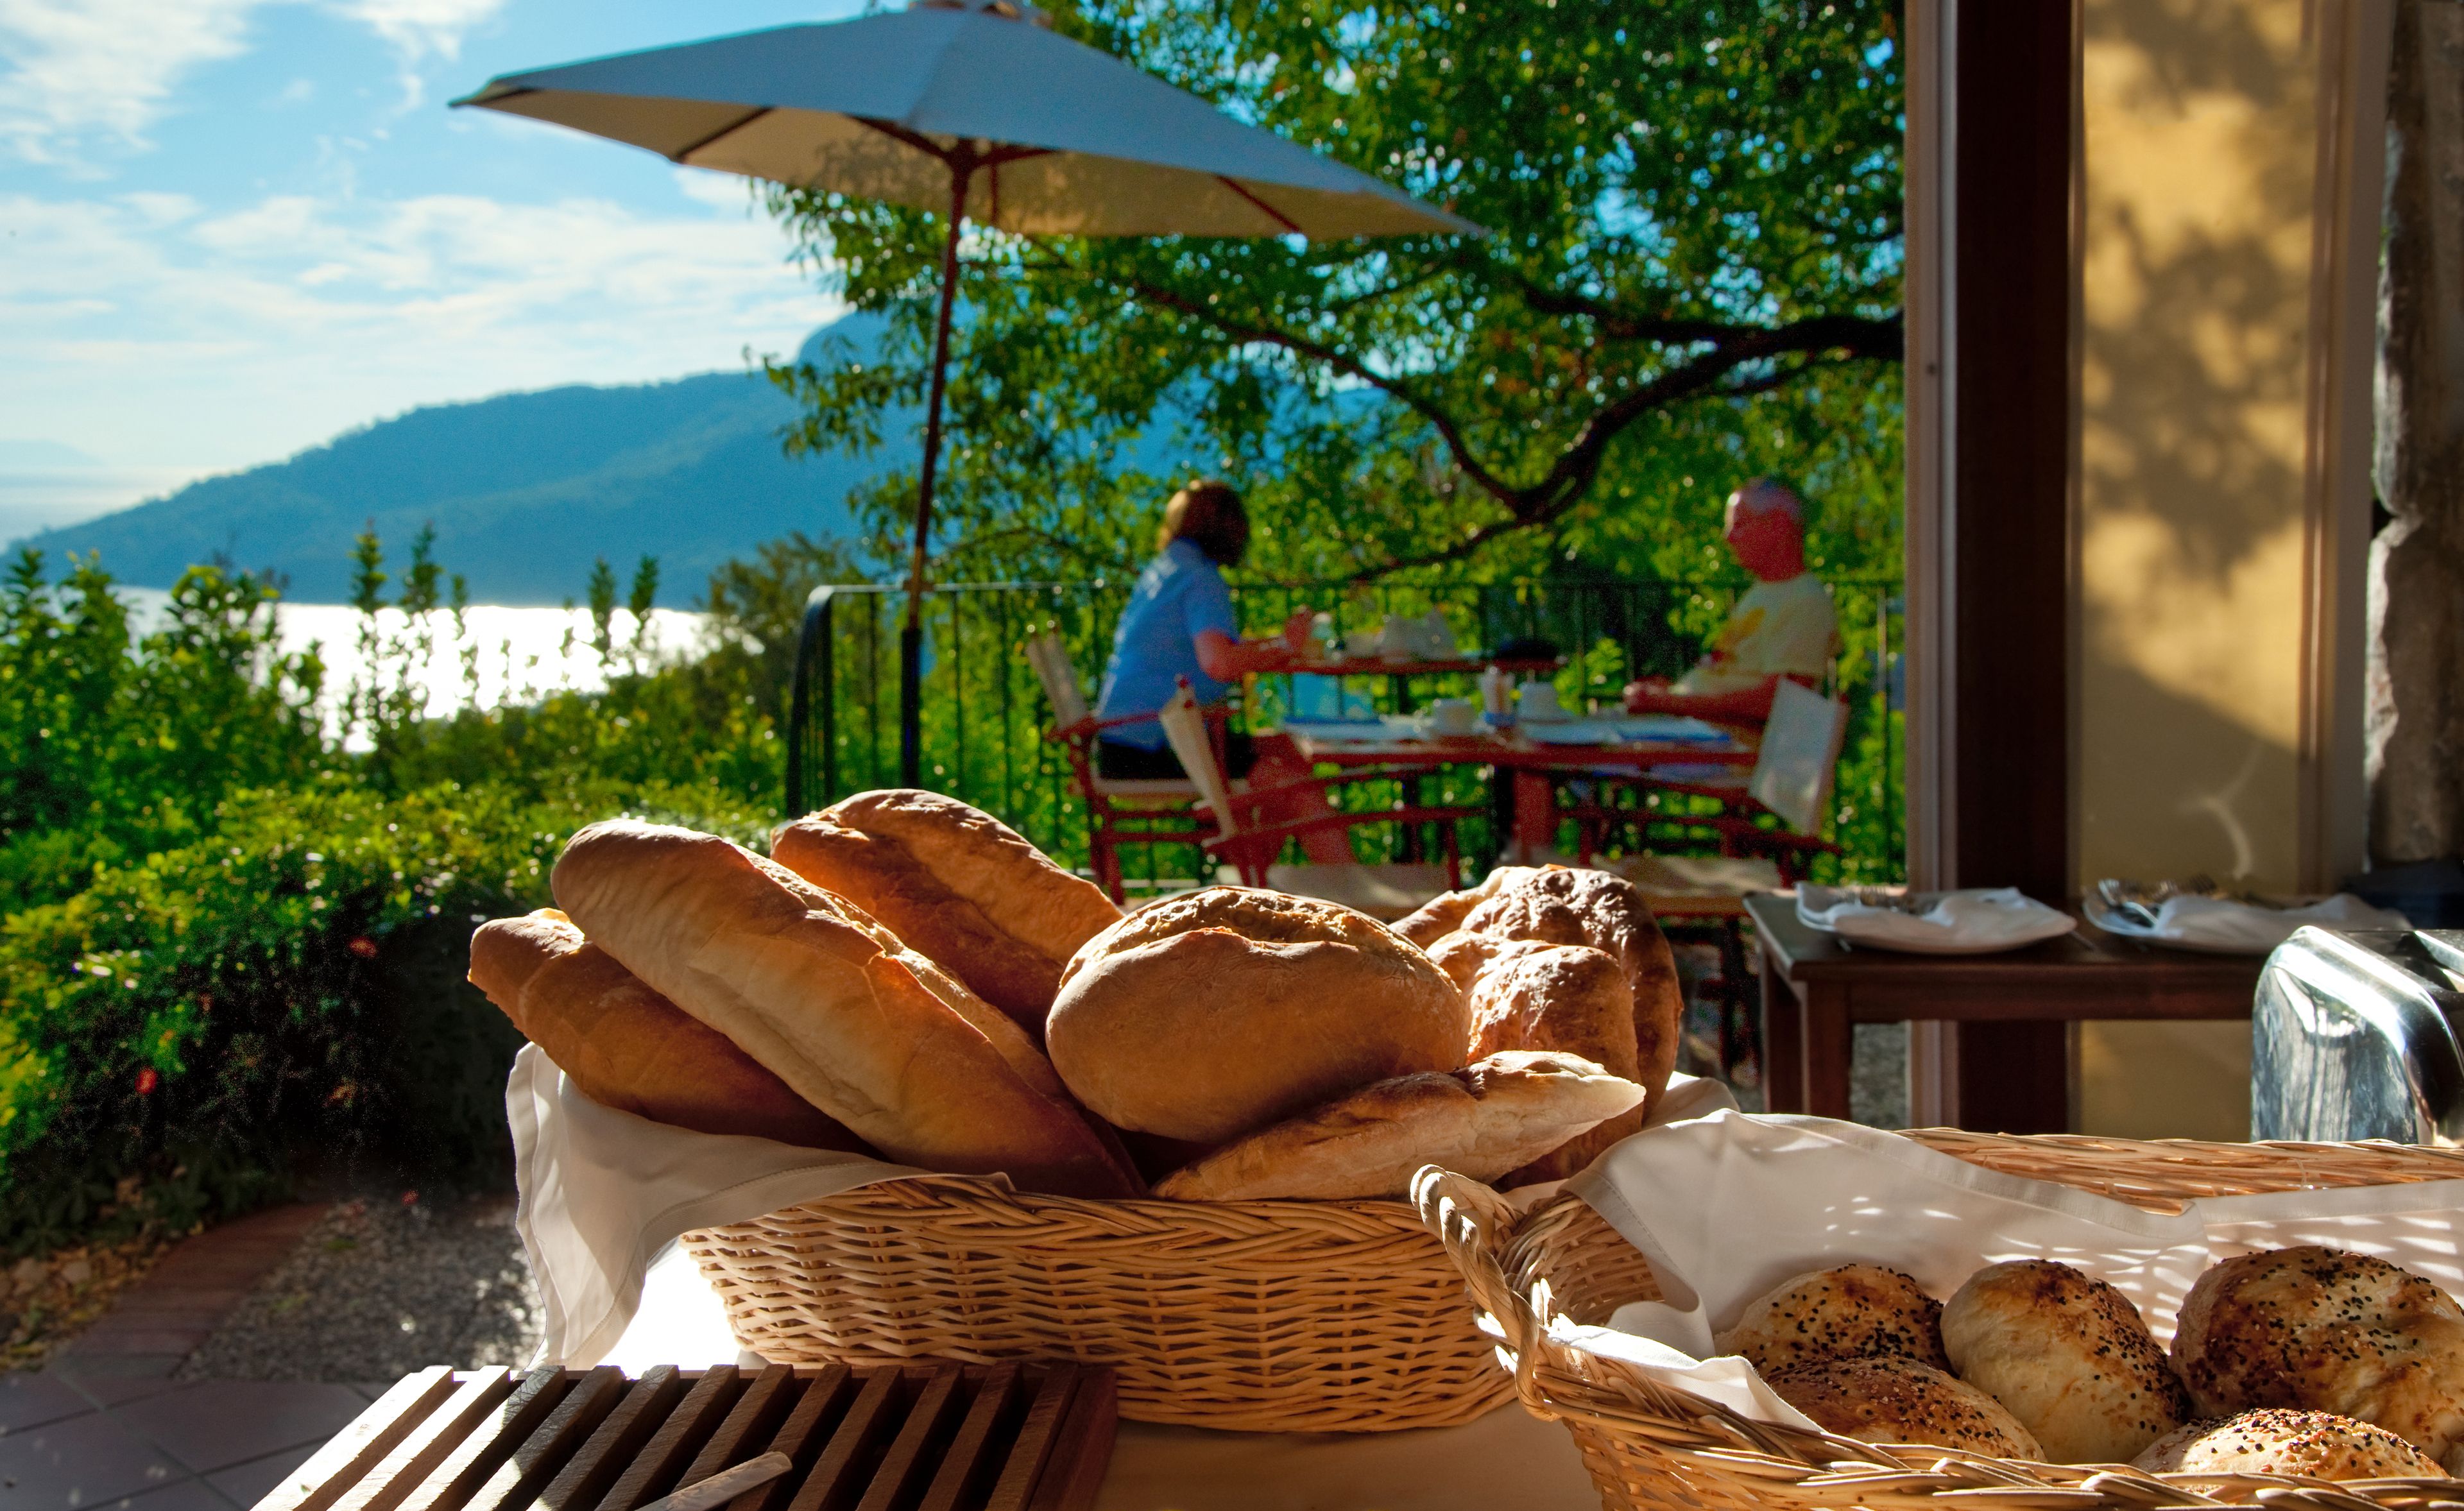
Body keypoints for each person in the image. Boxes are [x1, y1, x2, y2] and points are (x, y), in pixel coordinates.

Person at [1093, 479, 1353, 864]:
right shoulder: (1202, 578)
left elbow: (1210, 650)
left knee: (1281, 751)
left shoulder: (1166, 569)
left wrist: (1277, 646)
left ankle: (1259, 879)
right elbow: (1218, 662)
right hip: (1151, 746)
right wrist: (1284, 649)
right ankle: (1350, 889)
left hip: (1118, 742)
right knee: (1282, 775)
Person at [1624, 478, 1837, 722]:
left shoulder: (1805, 601)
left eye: (1739, 525)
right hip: (1692, 738)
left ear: (1779, 524)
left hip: (1721, 753)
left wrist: (1669, 702)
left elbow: (1778, 703)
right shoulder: (1763, 592)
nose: (1728, 538)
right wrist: (1669, 693)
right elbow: (1730, 677)